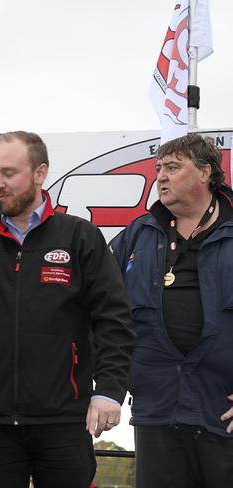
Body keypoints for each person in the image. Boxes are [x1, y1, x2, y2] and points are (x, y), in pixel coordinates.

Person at [0, 131, 134, 488]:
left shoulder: (79, 236)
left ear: (40, 173)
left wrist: (108, 390)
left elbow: (114, 318)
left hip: (62, 417)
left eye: (9, 173)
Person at [110, 133, 233, 487]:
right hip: (157, 410)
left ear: (205, 172)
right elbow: (100, 305)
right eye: (158, 168)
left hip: (221, 413)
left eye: (173, 168)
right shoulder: (138, 234)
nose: (160, 176)